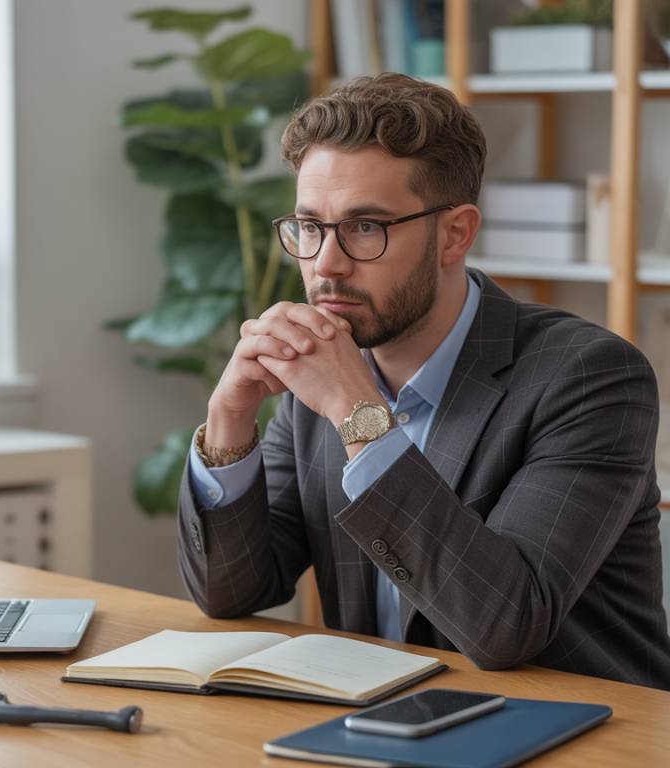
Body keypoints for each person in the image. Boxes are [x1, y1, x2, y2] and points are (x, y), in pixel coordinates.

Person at [177, 73, 670, 690]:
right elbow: (234, 591)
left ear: (455, 234)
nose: (325, 264)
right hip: (384, 722)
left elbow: (505, 624)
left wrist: (357, 413)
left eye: (365, 227)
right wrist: (229, 420)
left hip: (582, 735)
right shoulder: (317, 379)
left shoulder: (589, 376)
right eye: (309, 227)